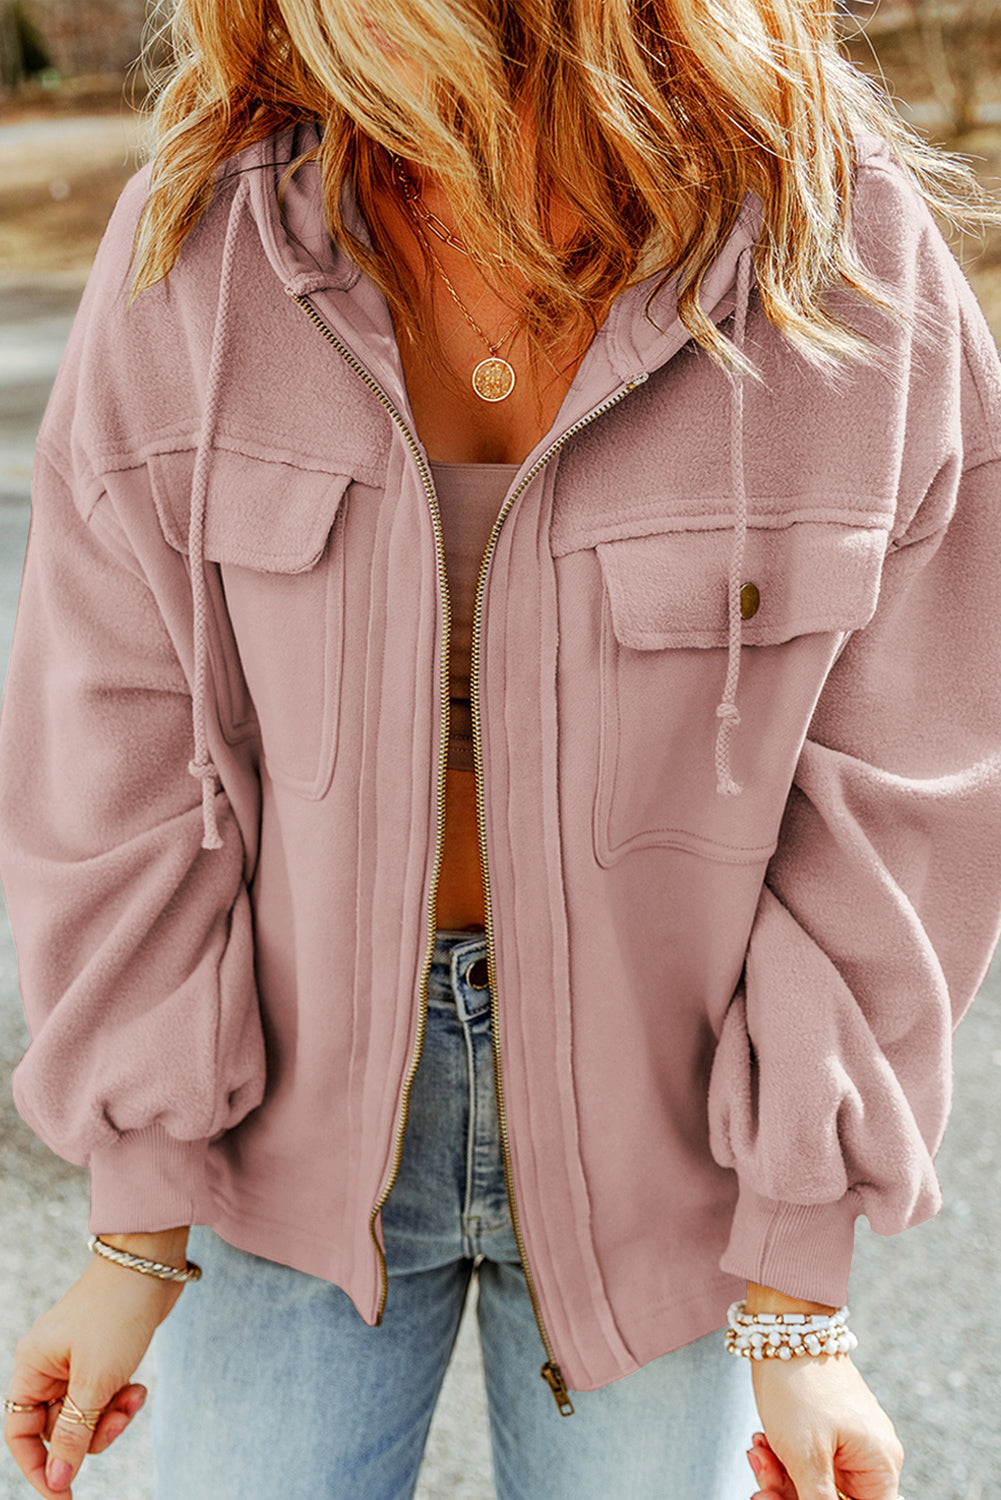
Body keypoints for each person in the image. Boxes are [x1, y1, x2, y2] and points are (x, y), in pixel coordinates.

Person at [1, 0, 1000, 1495]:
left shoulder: (838, 254)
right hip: (274, 1144)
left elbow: (899, 807)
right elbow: (124, 743)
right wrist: (135, 1227)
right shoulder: (197, 248)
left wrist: (799, 1299)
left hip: (678, 1175)